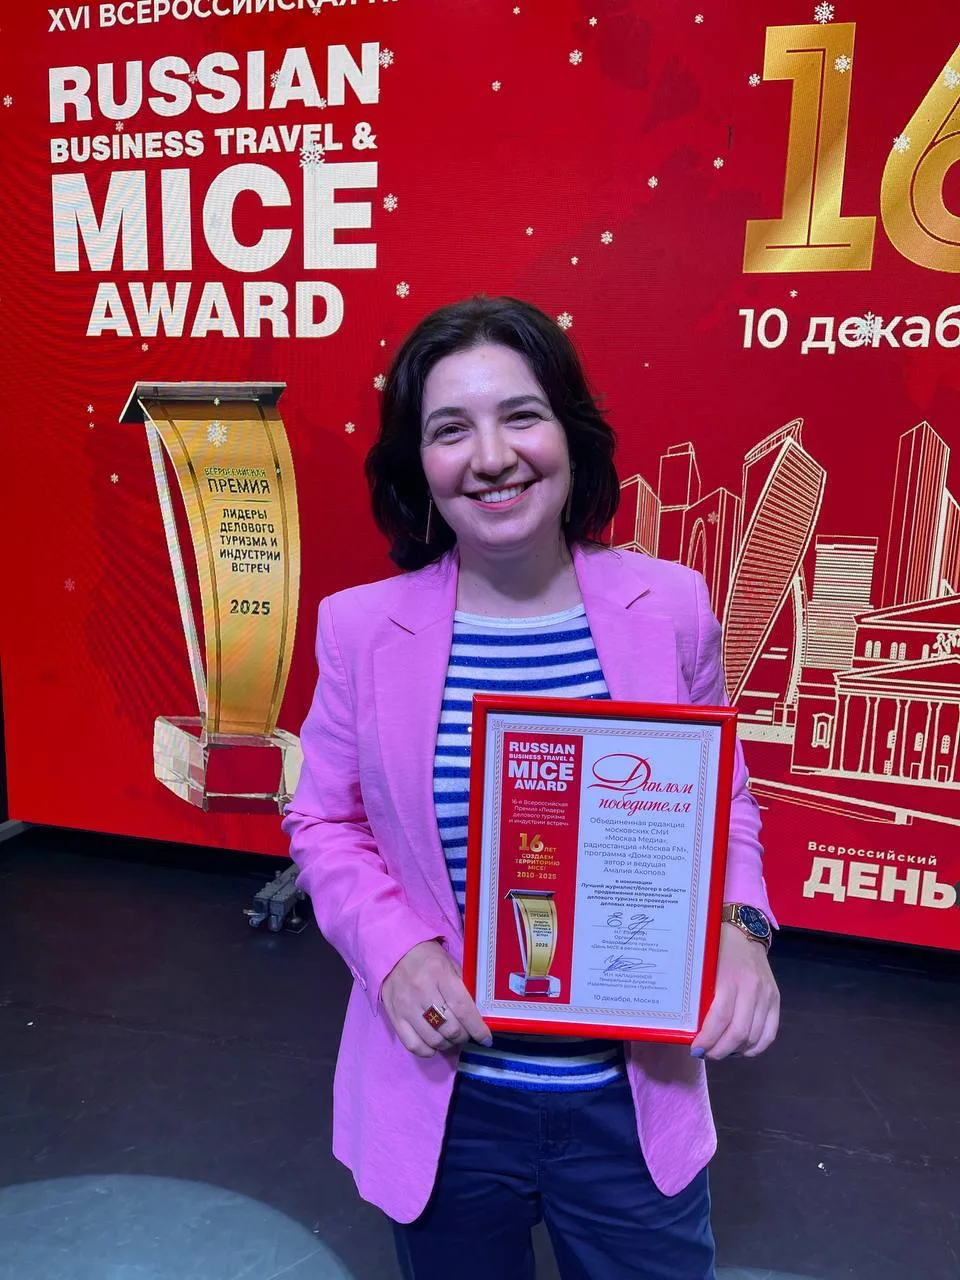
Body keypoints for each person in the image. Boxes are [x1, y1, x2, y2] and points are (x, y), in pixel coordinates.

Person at [282, 296, 780, 1280]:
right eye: (449, 429)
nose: (491, 456)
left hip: (631, 1097)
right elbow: (324, 817)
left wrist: (742, 927)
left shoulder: (671, 606)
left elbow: (721, 798)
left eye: (520, 415)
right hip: (447, 1100)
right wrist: (393, 952)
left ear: (569, 433)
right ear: (418, 464)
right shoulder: (361, 629)